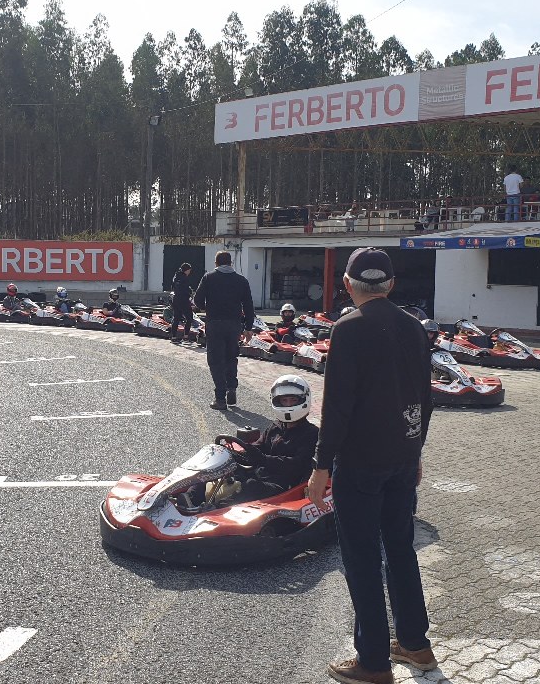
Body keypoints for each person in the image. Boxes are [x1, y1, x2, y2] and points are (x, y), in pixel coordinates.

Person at [306, 247, 436, 684]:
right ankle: (415, 645)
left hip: (360, 463)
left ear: (347, 284)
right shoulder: (414, 328)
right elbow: (426, 397)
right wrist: (416, 452)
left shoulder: (348, 329)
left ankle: (374, 662)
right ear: (391, 285)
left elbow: (337, 406)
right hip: (401, 459)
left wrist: (322, 467)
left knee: (361, 559)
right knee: (400, 548)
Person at [179, 375, 319, 512]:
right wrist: (232, 454)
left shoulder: (311, 433)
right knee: (214, 469)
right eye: (284, 400)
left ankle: (215, 510)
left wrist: (263, 459)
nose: (288, 405)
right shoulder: (275, 427)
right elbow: (256, 449)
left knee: (251, 486)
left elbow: (297, 465)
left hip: (283, 485)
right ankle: (190, 498)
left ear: (303, 400)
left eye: (292, 400)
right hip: (259, 473)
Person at [193, 250, 255, 411]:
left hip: (214, 323)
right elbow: (248, 305)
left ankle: (220, 398)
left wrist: (208, 308)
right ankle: (232, 388)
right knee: (231, 357)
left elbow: (197, 300)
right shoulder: (241, 280)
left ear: (216, 263)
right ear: (231, 263)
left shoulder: (209, 278)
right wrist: (248, 327)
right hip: (234, 325)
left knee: (215, 360)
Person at [168, 263, 194, 343]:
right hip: (184, 300)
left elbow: (172, 287)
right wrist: (190, 293)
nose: (189, 272)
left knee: (176, 318)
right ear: (186, 270)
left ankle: (174, 337)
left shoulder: (176, 277)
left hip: (176, 299)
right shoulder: (184, 278)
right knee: (189, 318)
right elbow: (187, 290)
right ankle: (185, 337)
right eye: (189, 270)